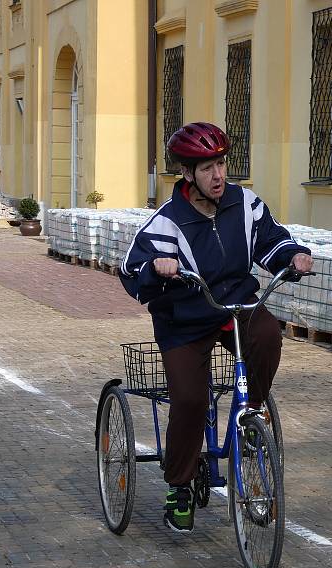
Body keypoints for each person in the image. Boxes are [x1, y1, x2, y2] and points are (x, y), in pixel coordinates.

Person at [119, 122, 313, 533]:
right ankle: (179, 487)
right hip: (185, 318)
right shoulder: (166, 222)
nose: (219, 175)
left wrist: (292, 256)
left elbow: (271, 241)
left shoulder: (245, 204)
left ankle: (252, 414)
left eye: (222, 164)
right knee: (189, 400)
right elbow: (130, 268)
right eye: (207, 168)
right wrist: (157, 267)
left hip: (235, 305)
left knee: (267, 334)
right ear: (188, 173)